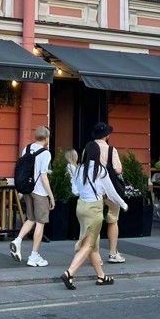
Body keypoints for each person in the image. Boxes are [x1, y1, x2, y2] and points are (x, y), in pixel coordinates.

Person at [61, 140, 127, 289]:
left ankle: (101, 276)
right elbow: (111, 192)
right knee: (89, 244)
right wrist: (123, 204)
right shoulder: (100, 170)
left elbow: (75, 191)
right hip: (94, 209)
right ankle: (69, 273)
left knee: (93, 244)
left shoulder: (79, 169)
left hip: (81, 207)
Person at [10, 126, 55, 268]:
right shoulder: (46, 153)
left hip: (28, 189)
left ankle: (17, 240)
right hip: (40, 192)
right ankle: (34, 256)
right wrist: (51, 196)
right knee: (40, 223)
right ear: (46, 138)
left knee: (31, 219)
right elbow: (43, 176)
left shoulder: (27, 148)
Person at [91, 123, 126, 265]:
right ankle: (113, 253)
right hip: (110, 189)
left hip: (93, 190)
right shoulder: (111, 150)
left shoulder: (89, 149)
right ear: (106, 136)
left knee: (95, 222)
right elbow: (118, 170)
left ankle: (96, 255)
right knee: (112, 220)